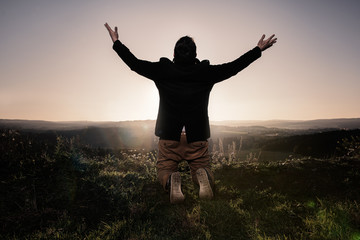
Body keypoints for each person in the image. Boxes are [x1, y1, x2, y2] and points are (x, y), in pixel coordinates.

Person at [105, 23, 277, 203]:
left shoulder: (163, 70)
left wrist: (116, 42)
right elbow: (233, 67)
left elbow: (134, 64)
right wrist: (258, 50)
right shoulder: (205, 72)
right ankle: (203, 176)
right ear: (195, 54)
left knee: (164, 168)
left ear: (173, 54)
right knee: (201, 166)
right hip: (197, 137)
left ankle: (171, 179)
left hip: (170, 137)